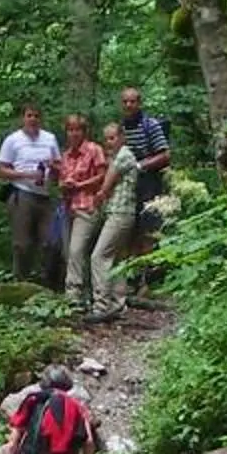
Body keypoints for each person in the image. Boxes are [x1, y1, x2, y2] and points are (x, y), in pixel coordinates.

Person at [0, 104, 61, 284]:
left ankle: (48, 282)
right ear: (23, 118)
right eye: (29, 115)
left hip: (45, 195)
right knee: (22, 244)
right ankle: (22, 283)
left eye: (36, 116)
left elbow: (59, 166)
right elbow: (1, 170)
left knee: (51, 242)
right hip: (22, 194)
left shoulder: (49, 139)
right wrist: (25, 174)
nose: (33, 119)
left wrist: (53, 169)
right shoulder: (13, 140)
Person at [86, 122, 141, 319]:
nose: (109, 142)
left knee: (99, 256)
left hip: (120, 213)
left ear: (122, 137)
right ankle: (118, 304)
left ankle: (101, 305)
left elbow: (106, 186)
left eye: (112, 138)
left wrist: (98, 196)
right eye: (106, 139)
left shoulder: (124, 155)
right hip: (123, 213)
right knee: (117, 258)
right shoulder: (119, 156)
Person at [55, 114, 109, 309]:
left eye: (77, 129)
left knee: (76, 249)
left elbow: (103, 176)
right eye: (70, 130)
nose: (74, 133)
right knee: (69, 252)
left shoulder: (94, 150)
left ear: (84, 131)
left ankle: (73, 295)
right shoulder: (66, 156)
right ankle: (85, 294)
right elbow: (61, 182)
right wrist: (65, 184)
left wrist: (79, 185)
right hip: (68, 207)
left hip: (88, 206)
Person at [116, 86, 171, 260]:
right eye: (125, 102)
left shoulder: (150, 125)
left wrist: (140, 166)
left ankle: (149, 276)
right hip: (126, 186)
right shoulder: (121, 128)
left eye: (132, 101)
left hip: (149, 183)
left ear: (139, 103)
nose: (128, 105)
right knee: (128, 230)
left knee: (149, 229)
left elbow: (165, 155)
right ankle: (130, 278)